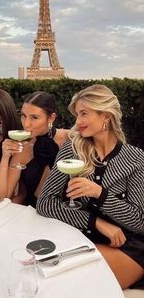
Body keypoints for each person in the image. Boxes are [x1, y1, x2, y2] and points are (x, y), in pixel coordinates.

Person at [37, 84, 144, 289]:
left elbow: (140, 221)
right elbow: (46, 202)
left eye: (84, 114)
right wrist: (95, 221)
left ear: (106, 116)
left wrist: (100, 194)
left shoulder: (136, 159)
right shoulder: (73, 148)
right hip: (80, 237)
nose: (78, 122)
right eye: (77, 115)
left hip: (127, 246)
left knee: (73, 286)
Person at [0, 91, 70, 207]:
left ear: (51, 118)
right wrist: (5, 157)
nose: (26, 124)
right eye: (23, 116)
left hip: (68, 214)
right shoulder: (23, 149)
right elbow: (0, 197)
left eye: (34, 117)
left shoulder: (71, 139)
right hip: (32, 214)